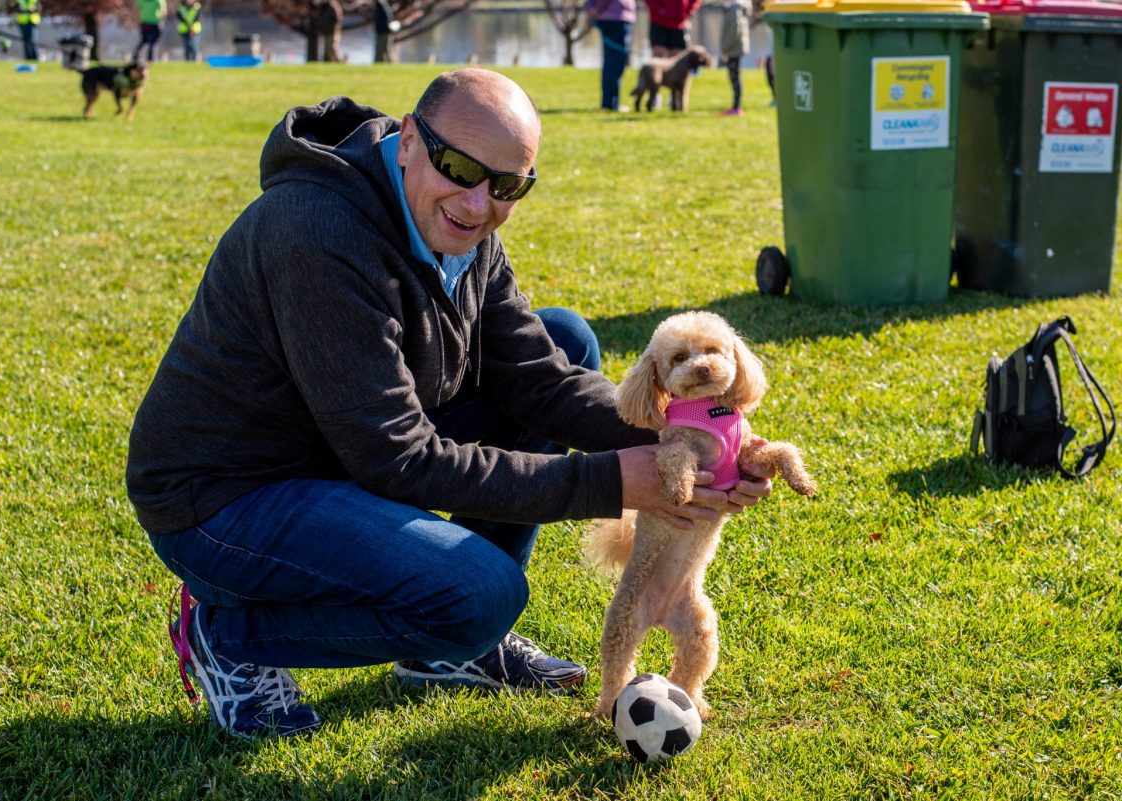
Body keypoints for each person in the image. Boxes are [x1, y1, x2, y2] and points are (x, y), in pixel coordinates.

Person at [126, 68, 774, 739]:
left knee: (563, 339)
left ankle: (442, 651)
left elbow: (538, 377)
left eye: (507, 186)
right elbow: (397, 457)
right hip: (228, 494)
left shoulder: (460, 219)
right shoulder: (315, 234)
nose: (478, 202)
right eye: (459, 168)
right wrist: (611, 478)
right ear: (408, 138)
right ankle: (229, 632)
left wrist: (696, 442)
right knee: (480, 597)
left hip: (337, 445)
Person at [585, 0, 635, 112]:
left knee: (611, 63)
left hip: (613, 18)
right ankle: (611, 104)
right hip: (616, 19)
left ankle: (609, 102)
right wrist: (596, 10)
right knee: (615, 63)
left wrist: (592, 11)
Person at [719, 0, 751, 117]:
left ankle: (736, 108)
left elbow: (734, 29)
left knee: (735, 78)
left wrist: (725, 48)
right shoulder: (739, 6)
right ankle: (736, 107)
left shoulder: (735, 7)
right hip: (736, 47)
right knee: (735, 77)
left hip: (734, 48)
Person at [751, 0, 775, 105]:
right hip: (769, 46)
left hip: (774, 45)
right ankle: (776, 97)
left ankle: (778, 97)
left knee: (772, 67)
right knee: (769, 68)